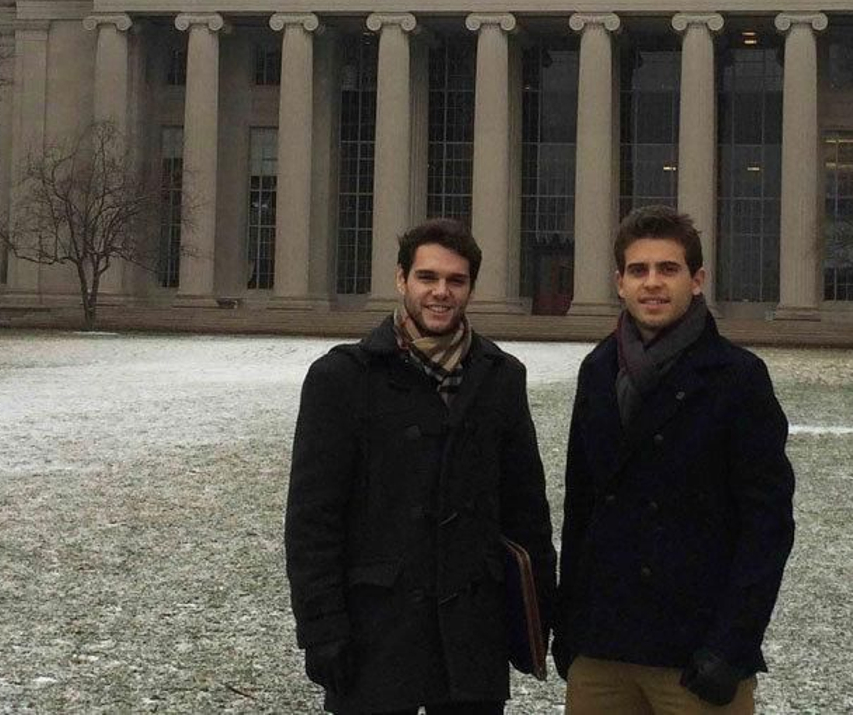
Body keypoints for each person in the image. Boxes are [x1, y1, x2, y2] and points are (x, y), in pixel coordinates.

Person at [285, 219, 557, 715]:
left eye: (455, 281)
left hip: (471, 638)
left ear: (471, 287)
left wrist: (538, 614)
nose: (441, 292)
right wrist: (321, 629)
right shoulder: (341, 379)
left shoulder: (500, 377)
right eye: (427, 278)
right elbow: (312, 522)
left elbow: (526, 510)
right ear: (401, 280)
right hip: (375, 635)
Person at [553, 206, 795, 714]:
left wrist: (732, 644)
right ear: (619, 282)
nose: (653, 284)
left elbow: (766, 526)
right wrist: (569, 626)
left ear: (697, 279)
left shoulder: (738, 377)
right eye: (638, 271)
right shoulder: (597, 370)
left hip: (695, 653)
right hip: (602, 649)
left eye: (669, 269)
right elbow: (581, 509)